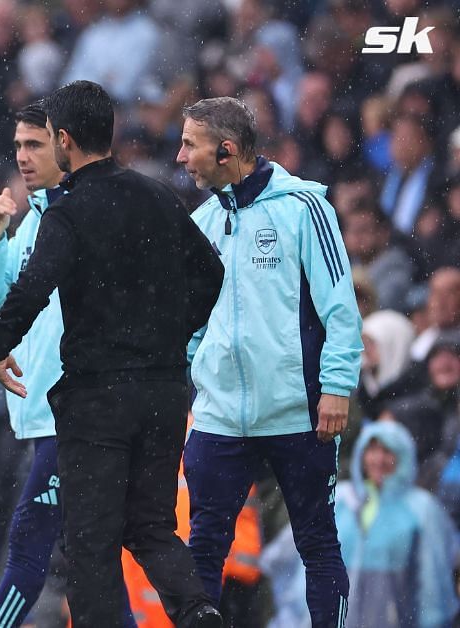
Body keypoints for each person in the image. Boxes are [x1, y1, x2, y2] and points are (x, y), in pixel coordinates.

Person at [0, 80, 224, 627]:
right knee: (151, 528)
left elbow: (33, 285)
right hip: (164, 393)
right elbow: (211, 273)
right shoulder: (159, 194)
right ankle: (198, 608)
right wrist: (171, 335)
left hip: (98, 398)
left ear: (64, 140)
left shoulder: (68, 210)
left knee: (89, 546)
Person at [176, 96, 361, 628]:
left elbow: (341, 309)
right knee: (202, 552)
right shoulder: (201, 221)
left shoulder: (305, 207)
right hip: (218, 418)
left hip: (298, 412)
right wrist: (190, 391)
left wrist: (336, 387)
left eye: (190, 144)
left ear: (226, 150)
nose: (181, 156)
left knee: (317, 544)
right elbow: (191, 326)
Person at [0, 100, 91, 628]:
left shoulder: (85, 215)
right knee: (97, 558)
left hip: (77, 413)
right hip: (47, 414)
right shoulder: (32, 223)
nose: (21, 156)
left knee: (29, 547)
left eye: (34, 144)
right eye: (17, 145)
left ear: (66, 144)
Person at [335, 421, 459, 628]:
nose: (379, 459)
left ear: (403, 456)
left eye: (388, 451)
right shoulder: (342, 499)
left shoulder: (421, 508)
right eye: (372, 450)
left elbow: (432, 582)